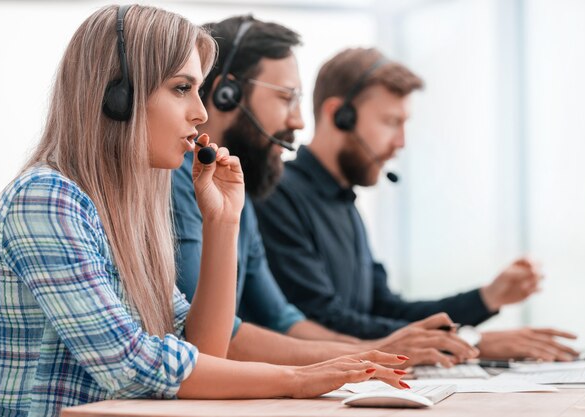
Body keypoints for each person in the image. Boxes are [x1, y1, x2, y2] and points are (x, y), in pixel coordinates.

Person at [0, 8, 407, 416]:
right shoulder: (46, 200)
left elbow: (203, 349)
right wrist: (297, 380)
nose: (201, 112)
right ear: (117, 96)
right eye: (180, 88)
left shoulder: (128, 210)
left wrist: (223, 221)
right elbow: (130, 365)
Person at [172, 15, 478, 368]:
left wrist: (378, 351)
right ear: (228, 95)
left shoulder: (238, 191)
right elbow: (210, 338)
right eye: (287, 98)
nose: (299, 121)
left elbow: (285, 320)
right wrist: (370, 354)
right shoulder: (178, 181)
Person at [254, 47, 580, 361]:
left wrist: (487, 297)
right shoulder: (278, 196)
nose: (401, 142)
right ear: (339, 115)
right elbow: (323, 321)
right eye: (391, 122)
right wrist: (469, 341)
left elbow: (384, 310)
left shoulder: (345, 206)